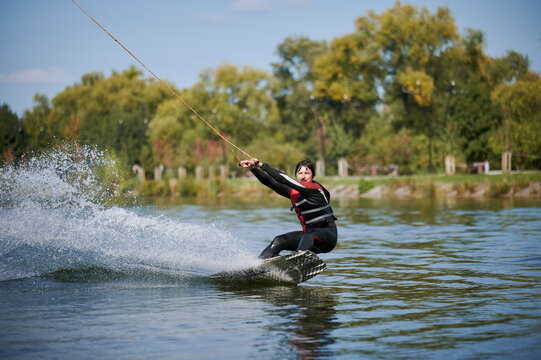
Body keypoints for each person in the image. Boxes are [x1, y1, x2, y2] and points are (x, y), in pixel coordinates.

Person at [240, 158, 337, 259]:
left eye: (307, 173)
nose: (303, 176)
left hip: (327, 237)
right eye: (300, 173)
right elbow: (270, 182)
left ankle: (298, 258)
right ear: (296, 175)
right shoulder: (294, 193)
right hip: (308, 240)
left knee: (310, 232)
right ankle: (258, 266)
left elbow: (283, 179)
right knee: (279, 240)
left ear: (312, 176)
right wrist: (253, 169)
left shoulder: (315, 189)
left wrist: (260, 165)